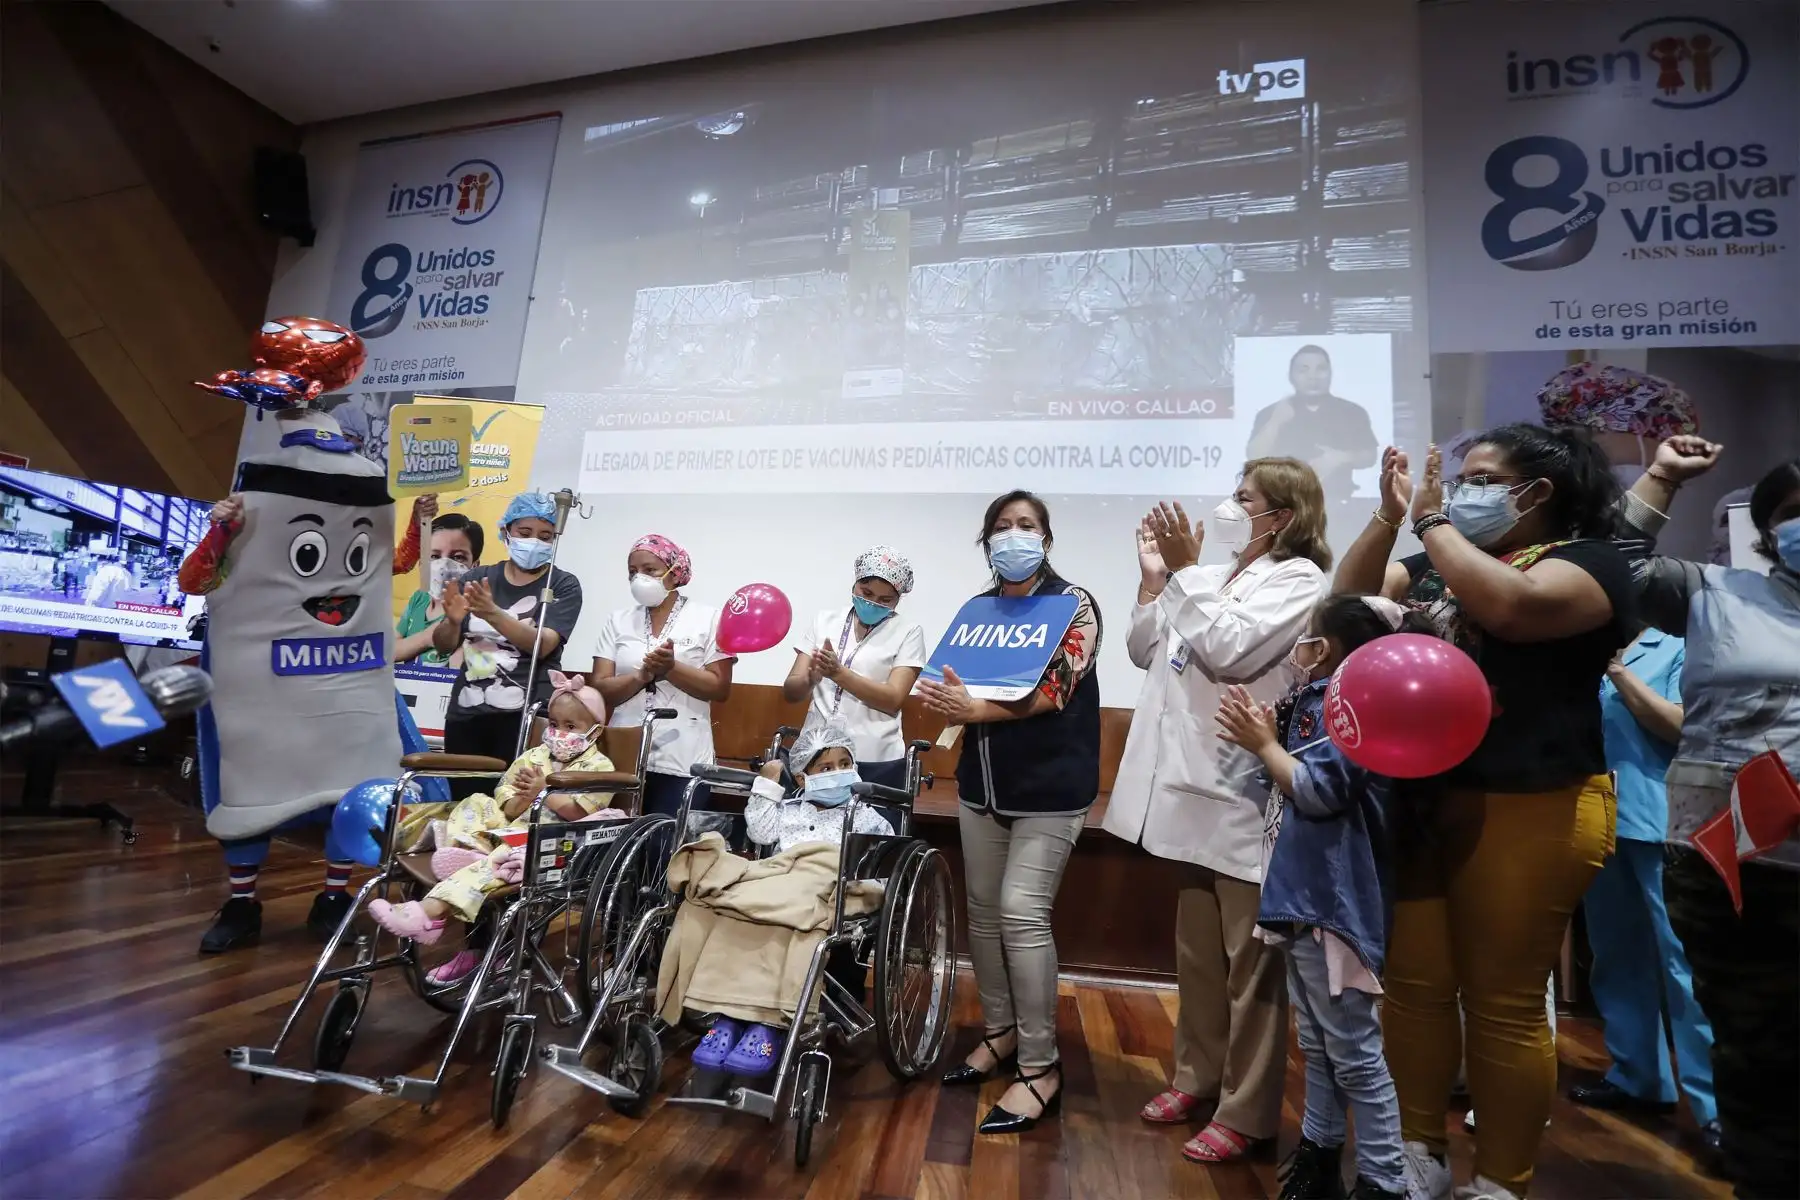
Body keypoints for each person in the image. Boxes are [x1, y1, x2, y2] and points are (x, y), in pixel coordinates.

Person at [1333, 424, 1639, 1200]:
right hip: (1425, 802)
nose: (1462, 491)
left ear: (1539, 492)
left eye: (1481, 479)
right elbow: (1348, 604)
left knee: (1503, 1002)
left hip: (1535, 802)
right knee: (1415, 988)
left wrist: (1434, 521)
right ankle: (1418, 1155)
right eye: (1460, 479)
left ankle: (1501, 1180)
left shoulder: (1590, 562)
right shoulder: (1437, 563)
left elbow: (1510, 610)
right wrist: (1389, 517)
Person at [1106, 458, 1332, 1164]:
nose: (1230, 508)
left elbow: (1230, 651)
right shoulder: (1208, 575)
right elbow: (1144, 649)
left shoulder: (1300, 580)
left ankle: (1248, 1111)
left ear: (1283, 515)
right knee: (1198, 958)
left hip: (1241, 793)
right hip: (1184, 789)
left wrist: (1182, 574)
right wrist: (1156, 581)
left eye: (1244, 498)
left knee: (1251, 968)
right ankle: (1195, 1077)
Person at [1217, 594, 1431, 1200]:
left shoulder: (1354, 703)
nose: (1301, 647)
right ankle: (1319, 1155)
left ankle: (1384, 1180)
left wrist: (1265, 745)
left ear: (1330, 648)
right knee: (1317, 1042)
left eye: (1310, 635)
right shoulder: (1322, 699)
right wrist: (1266, 742)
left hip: (1330, 904)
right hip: (1301, 895)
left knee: (1355, 1051)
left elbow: (1320, 790)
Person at [1637, 458, 1800, 1199]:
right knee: (1755, 1051)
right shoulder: (1713, 591)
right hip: (1734, 869)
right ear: (1765, 531)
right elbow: (1612, 567)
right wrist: (1661, 480)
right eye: (1792, 512)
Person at [919, 490, 1101, 1136]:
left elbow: (1056, 688)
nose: (1013, 535)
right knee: (985, 913)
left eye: (1026, 525)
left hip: (1051, 792)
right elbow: (953, 685)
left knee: (1023, 913)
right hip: (983, 788)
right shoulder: (978, 611)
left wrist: (974, 710)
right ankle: (999, 1034)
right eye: (1002, 526)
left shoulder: (1073, 604)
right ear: (987, 540)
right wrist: (949, 703)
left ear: (1045, 539)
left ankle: (1040, 1066)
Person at [678, 717, 895, 1079]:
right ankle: (730, 1013)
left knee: (795, 916)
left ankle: (770, 1023)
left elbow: (880, 876)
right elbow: (760, 832)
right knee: (735, 906)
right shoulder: (789, 811)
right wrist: (766, 783)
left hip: (824, 887)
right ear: (802, 778)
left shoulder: (867, 818)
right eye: (826, 768)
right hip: (779, 881)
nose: (839, 773)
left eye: (845, 764)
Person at [1571, 625, 1718, 1148]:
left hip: (1662, 822)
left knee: (1682, 964)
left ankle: (1716, 1111)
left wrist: (1617, 671)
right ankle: (1638, 1077)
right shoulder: (1578, 648)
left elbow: (1681, 725)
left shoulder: (1678, 646)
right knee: (1615, 955)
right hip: (1597, 818)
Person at [368, 674, 622, 950]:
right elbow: (508, 807)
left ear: (595, 732)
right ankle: (462, 848)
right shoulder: (533, 757)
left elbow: (578, 814)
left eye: (570, 726)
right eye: (553, 724)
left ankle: (429, 912)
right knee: (476, 801)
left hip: (549, 839)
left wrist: (542, 793)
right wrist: (523, 799)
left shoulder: (600, 767)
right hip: (509, 827)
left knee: (498, 861)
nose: (558, 732)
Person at [432, 492, 583, 794]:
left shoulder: (562, 585)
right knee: (464, 804)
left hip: (527, 716)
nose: (534, 542)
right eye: (525, 533)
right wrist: (452, 621)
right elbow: (443, 645)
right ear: (506, 532)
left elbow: (542, 645)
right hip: (467, 713)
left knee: (513, 803)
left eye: (545, 536)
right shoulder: (477, 578)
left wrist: (491, 612)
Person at [589, 534, 734, 818]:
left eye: (650, 570)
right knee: (615, 835)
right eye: (633, 571)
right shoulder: (618, 620)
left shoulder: (710, 618)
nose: (639, 578)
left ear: (675, 573)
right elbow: (601, 688)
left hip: (683, 755)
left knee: (667, 838)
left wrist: (671, 668)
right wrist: (640, 677)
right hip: (623, 752)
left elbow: (720, 688)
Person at [780, 545, 927, 790]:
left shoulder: (908, 632)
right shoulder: (825, 621)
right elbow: (791, 692)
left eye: (885, 600)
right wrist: (809, 680)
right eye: (866, 593)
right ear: (855, 584)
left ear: (898, 599)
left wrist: (838, 673)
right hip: (816, 755)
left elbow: (893, 699)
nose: (873, 603)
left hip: (874, 759)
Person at [1246, 344, 1379, 504]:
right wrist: (1276, 422)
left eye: (1320, 369)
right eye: (1303, 370)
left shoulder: (1352, 412)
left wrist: (1341, 457)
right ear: (1291, 376)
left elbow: (1370, 456)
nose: (1313, 377)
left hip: (1337, 502)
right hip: (1282, 504)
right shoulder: (1271, 413)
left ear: (1330, 374)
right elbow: (1254, 456)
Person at [394, 508, 480, 665]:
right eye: (434, 556)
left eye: (458, 557)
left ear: (474, 565)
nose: (444, 564)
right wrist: (428, 637)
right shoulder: (419, 598)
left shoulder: (475, 611)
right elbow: (390, 651)